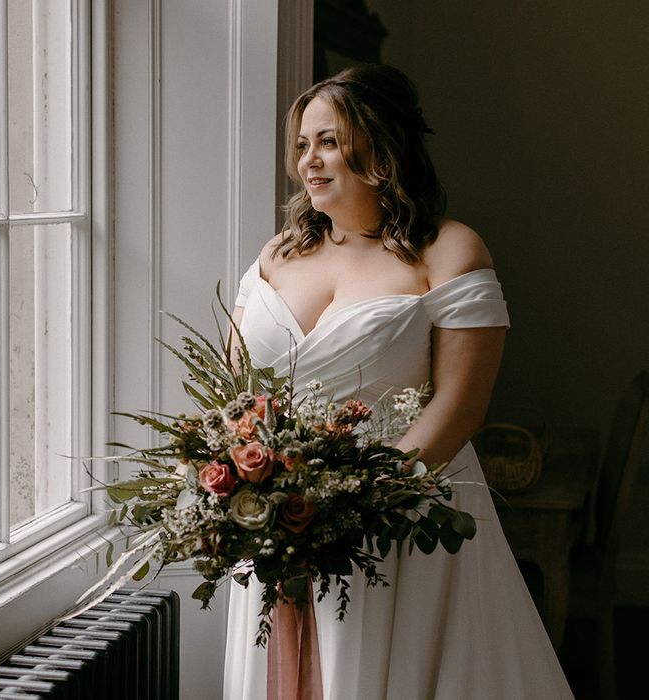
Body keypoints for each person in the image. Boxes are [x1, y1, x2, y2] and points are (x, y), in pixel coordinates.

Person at [224, 64, 573, 699]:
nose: (309, 161)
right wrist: (255, 483)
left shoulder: (450, 252)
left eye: (328, 141)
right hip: (281, 519)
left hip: (403, 519)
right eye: (302, 145)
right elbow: (236, 385)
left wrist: (365, 500)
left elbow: (461, 405)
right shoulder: (277, 254)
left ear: (381, 151)